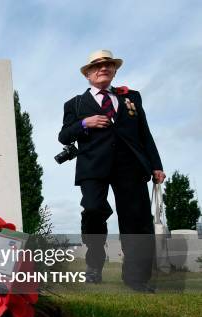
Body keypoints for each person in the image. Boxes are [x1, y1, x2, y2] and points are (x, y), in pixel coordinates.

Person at [58, 50, 166, 292]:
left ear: (115, 70)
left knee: (136, 220)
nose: (103, 68)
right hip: (93, 166)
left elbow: (144, 134)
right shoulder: (75, 103)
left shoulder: (132, 97)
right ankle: (94, 264)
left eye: (108, 64)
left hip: (131, 165)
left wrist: (156, 165)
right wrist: (86, 123)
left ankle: (137, 279)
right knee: (94, 210)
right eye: (96, 66)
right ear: (87, 74)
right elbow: (64, 135)